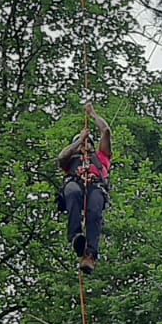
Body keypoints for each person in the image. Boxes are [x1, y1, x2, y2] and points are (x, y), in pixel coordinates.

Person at [57, 103, 112, 272]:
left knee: (95, 211)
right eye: (82, 144)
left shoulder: (101, 158)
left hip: (95, 187)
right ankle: (76, 237)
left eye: (88, 143)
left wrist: (93, 114)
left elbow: (106, 131)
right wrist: (79, 141)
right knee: (72, 192)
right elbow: (61, 157)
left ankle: (90, 255)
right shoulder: (71, 159)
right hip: (75, 183)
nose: (85, 146)